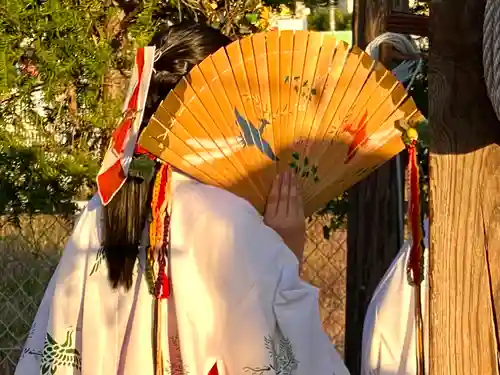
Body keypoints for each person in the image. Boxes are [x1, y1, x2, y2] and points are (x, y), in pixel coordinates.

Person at [15, 23, 350, 375]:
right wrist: (286, 245)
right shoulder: (230, 220)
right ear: (222, 110)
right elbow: (282, 349)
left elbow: (60, 338)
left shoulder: (105, 204)